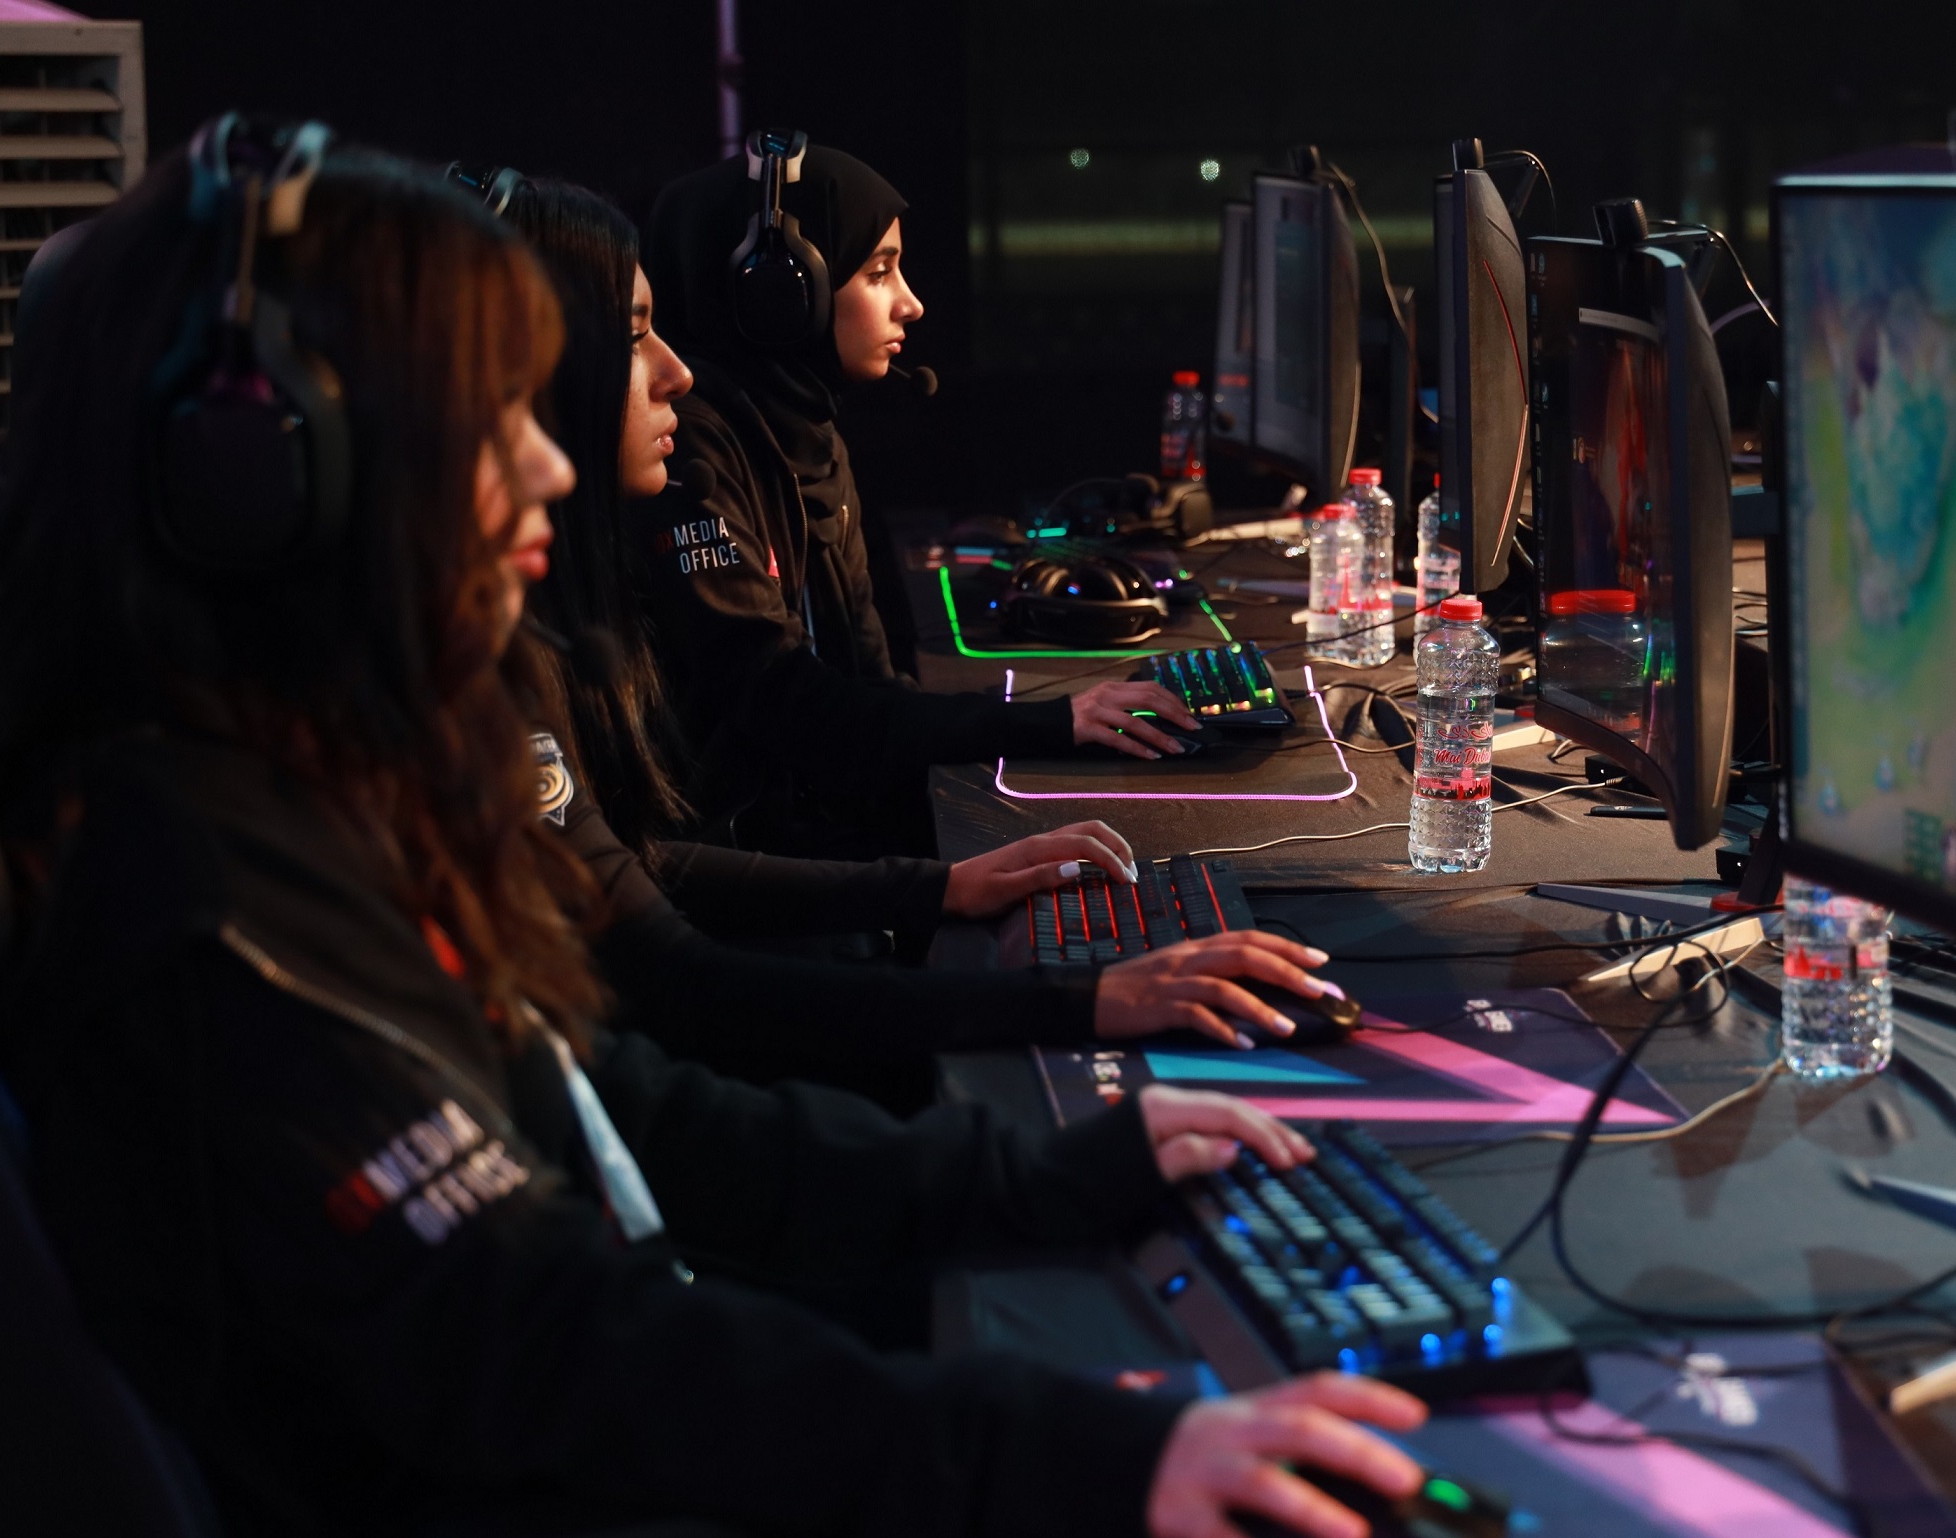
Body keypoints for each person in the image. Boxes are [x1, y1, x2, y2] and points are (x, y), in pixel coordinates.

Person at [0, 121, 1423, 1538]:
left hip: (596, 1487)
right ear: (270, 478)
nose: (547, 467)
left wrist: (1045, 1170)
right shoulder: (202, 900)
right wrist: (1089, 1455)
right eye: (491, 419)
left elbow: (626, 1113)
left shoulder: (317, 787)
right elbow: (556, 1341)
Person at [492, 174, 1341, 1094]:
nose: (675, 372)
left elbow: (637, 863)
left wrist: (942, 886)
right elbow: (680, 961)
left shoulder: (569, 609)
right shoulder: (502, 662)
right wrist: (1074, 996)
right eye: (630, 337)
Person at [640, 140, 1198, 859]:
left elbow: (870, 684)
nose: (911, 303)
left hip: (826, 824)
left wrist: (1047, 722)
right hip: (750, 861)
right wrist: (1048, 722)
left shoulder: (807, 438)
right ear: (782, 296)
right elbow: (788, 703)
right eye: (878, 272)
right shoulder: (687, 458)